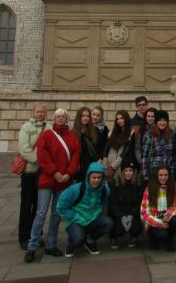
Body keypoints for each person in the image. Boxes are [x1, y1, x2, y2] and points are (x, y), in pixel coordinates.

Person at [24, 108, 80, 263]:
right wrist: (55, 172)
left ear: (67, 119)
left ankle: (51, 244)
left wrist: (68, 173)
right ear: (54, 119)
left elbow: (75, 156)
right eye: (58, 116)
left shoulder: (72, 137)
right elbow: (42, 156)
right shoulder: (46, 135)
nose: (61, 119)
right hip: (48, 179)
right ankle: (32, 246)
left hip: (64, 181)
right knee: (41, 213)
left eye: (63, 116)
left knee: (56, 213)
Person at [56, 162, 113, 257]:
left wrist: (96, 213)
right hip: (76, 220)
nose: (96, 180)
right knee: (78, 238)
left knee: (108, 223)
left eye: (99, 178)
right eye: (93, 177)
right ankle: (71, 243)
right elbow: (60, 207)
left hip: (91, 219)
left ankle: (89, 240)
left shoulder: (105, 190)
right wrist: (76, 217)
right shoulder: (74, 190)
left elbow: (102, 204)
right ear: (88, 177)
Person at [17, 103, 51, 250]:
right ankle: (24, 237)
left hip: (43, 173)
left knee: (39, 206)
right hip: (29, 172)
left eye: (42, 112)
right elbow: (24, 149)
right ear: (33, 113)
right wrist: (40, 161)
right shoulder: (26, 127)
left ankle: (36, 236)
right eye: (37, 111)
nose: (40, 114)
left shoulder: (49, 127)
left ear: (45, 113)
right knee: (26, 205)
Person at [141, 165, 176, 251]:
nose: (163, 178)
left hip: (166, 218)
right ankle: (152, 238)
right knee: (162, 235)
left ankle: (169, 240)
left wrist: (167, 216)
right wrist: (158, 223)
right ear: (156, 176)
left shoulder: (174, 188)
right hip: (153, 221)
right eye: (161, 175)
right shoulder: (149, 190)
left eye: (166, 175)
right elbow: (144, 212)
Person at [108, 157, 142, 249]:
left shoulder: (138, 184)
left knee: (136, 228)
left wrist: (131, 215)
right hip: (119, 215)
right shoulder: (116, 183)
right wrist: (122, 216)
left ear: (134, 171)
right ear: (122, 172)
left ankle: (133, 237)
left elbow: (139, 203)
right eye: (126, 171)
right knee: (118, 229)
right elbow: (113, 204)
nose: (128, 173)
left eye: (130, 170)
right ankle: (113, 238)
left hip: (132, 214)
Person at [141, 110, 176, 182]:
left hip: (169, 173)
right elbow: (144, 157)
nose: (162, 123)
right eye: (160, 120)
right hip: (154, 172)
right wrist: (145, 176)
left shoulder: (172, 134)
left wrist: (173, 171)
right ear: (156, 121)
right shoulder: (149, 135)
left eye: (164, 120)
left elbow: (174, 155)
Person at [103, 110, 134, 184]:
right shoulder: (112, 133)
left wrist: (113, 167)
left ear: (126, 119)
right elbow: (106, 149)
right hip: (108, 166)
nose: (119, 121)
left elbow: (125, 152)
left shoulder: (131, 133)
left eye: (121, 118)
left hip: (121, 166)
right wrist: (105, 166)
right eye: (117, 119)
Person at [73, 107, 99, 182]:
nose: (85, 118)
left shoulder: (94, 131)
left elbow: (97, 147)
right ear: (79, 117)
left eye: (87, 116)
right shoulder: (73, 133)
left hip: (92, 166)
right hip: (80, 167)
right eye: (83, 116)